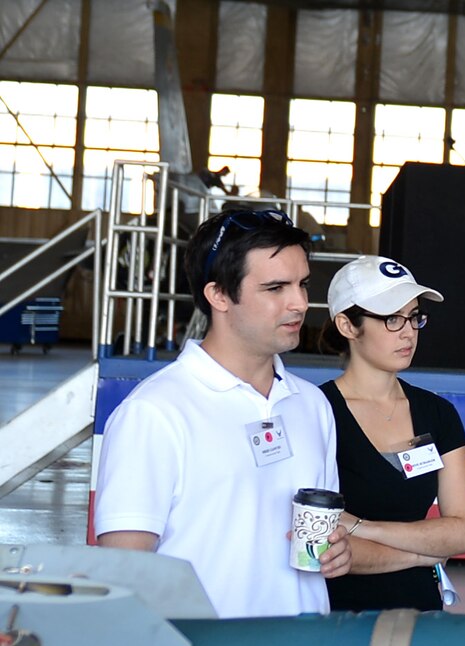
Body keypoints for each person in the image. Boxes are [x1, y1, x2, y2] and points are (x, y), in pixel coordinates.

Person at [96, 207, 356, 616]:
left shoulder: (312, 405)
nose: (300, 303)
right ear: (218, 295)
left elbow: (316, 531)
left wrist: (339, 551)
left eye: (303, 284)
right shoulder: (156, 412)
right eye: (275, 288)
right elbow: (124, 572)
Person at [319, 256, 465, 612]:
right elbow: (325, 549)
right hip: (336, 619)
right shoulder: (317, 412)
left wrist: (364, 528)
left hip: (419, 612)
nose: (409, 331)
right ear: (347, 325)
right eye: (392, 318)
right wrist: (422, 554)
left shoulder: (438, 413)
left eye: (414, 316)